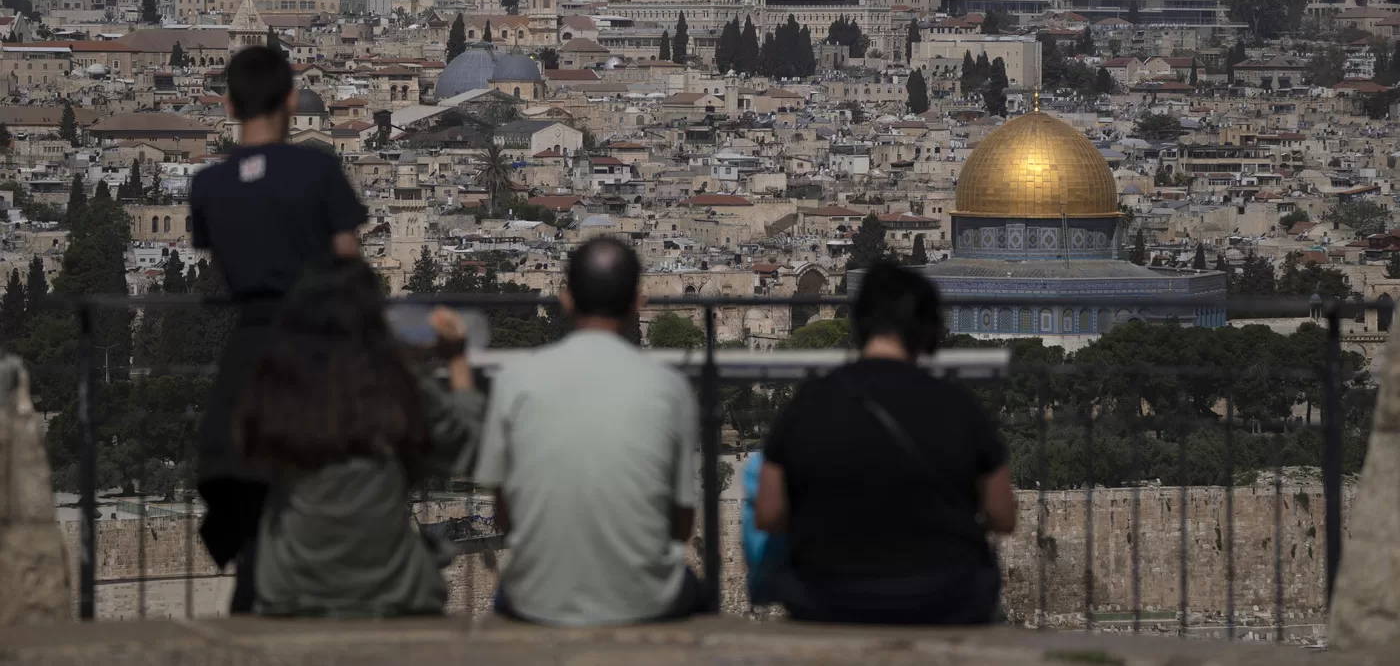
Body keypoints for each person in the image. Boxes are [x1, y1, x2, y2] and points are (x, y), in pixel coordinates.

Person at [190, 46, 367, 613]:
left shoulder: (209, 185)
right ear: (292, 101)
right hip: (314, 345)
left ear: (227, 105)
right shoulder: (318, 170)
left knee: (245, 479)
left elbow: (223, 261)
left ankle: (253, 599)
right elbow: (348, 258)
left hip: (249, 348)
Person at [754, 261, 1016, 625]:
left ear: (858, 325)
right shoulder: (958, 404)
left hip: (826, 596)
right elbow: (1003, 515)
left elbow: (768, 514)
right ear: (928, 333)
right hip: (944, 596)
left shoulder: (809, 401)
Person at [235, 258, 485, 616]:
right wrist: (457, 359)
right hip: (393, 592)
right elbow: (468, 448)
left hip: (292, 591)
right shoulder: (401, 385)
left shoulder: (275, 391)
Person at [474, 237, 702, 625]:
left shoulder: (514, 380)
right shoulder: (670, 387)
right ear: (638, 303)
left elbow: (504, 516)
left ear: (565, 299)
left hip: (538, 600)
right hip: (644, 601)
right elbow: (681, 525)